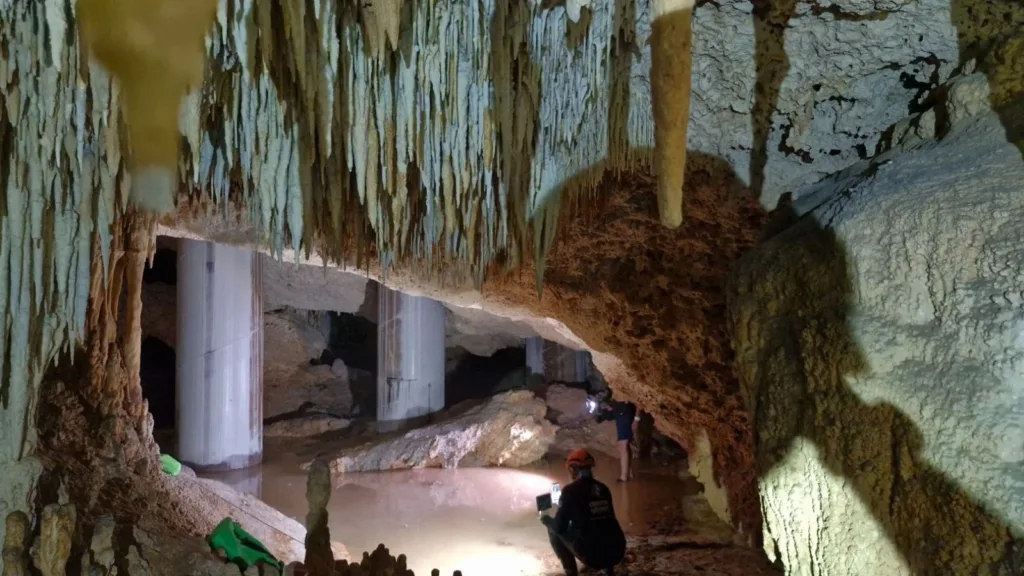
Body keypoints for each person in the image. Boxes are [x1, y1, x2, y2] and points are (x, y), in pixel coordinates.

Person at [541, 449, 627, 576]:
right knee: (601, 524)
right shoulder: (603, 488)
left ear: (572, 469)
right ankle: (608, 571)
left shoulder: (569, 491)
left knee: (553, 529)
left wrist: (545, 518)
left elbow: (559, 527)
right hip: (617, 551)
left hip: (592, 555)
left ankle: (571, 572)